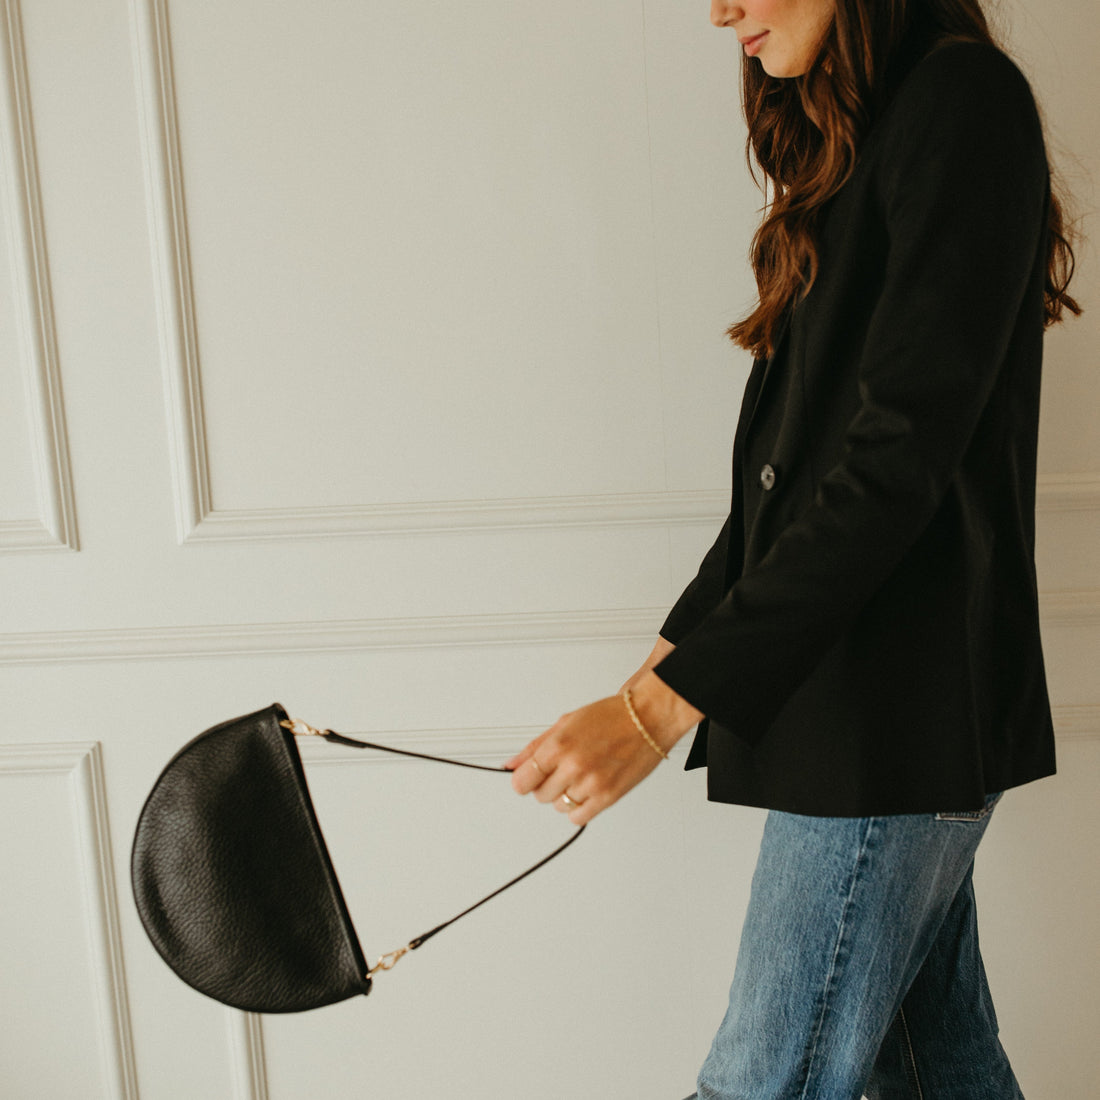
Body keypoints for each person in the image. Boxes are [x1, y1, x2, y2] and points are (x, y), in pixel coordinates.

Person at [507, 0, 1080, 1096]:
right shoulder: (864, 132)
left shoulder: (962, 104)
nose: (716, 9)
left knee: (759, 1080)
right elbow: (788, 480)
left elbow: (894, 461)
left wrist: (657, 711)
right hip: (867, 712)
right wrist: (651, 678)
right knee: (940, 1067)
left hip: (893, 711)